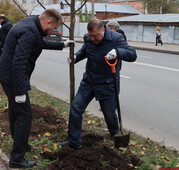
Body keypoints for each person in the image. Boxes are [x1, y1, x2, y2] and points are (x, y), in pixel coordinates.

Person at [0, 8, 74, 168]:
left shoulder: (31, 23)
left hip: (7, 74)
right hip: (12, 77)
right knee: (25, 113)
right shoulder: (30, 30)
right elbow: (19, 62)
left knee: (16, 111)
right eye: (54, 28)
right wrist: (19, 91)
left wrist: (62, 45)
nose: (53, 31)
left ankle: (20, 144)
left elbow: (40, 42)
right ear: (49, 22)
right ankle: (17, 158)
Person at [58, 19, 137, 149]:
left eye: (95, 35)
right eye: (90, 35)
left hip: (107, 83)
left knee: (109, 115)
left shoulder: (116, 38)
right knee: (76, 108)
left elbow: (132, 55)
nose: (92, 38)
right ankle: (73, 141)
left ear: (103, 30)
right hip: (89, 81)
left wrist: (117, 52)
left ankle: (115, 136)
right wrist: (76, 57)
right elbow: (85, 51)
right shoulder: (88, 38)